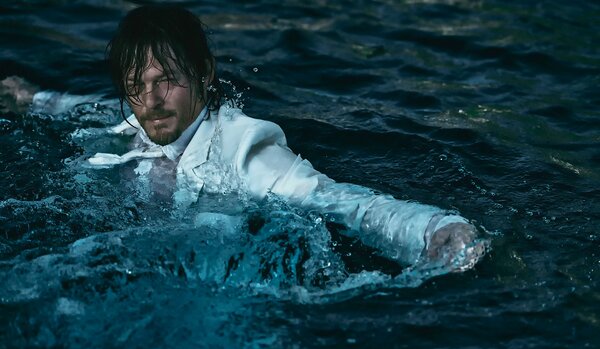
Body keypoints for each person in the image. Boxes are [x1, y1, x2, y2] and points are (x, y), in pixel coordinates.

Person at [1, 5, 486, 270]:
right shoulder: (132, 119)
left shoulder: (246, 149)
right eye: (135, 85)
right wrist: (32, 99)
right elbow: (95, 110)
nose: (148, 100)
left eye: (165, 79)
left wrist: (430, 228)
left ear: (204, 73)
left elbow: (338, 200)